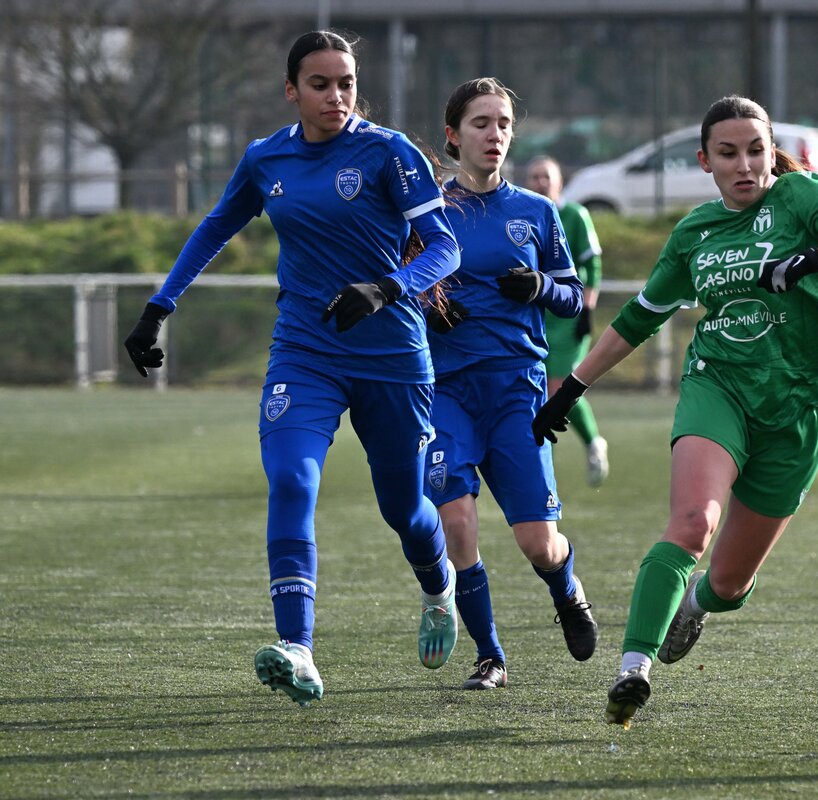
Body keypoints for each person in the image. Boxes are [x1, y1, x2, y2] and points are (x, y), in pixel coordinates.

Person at [532, 95, 818, 727]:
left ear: (770, 154)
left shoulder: (803, 199)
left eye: (756, 151)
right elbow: (638, 320)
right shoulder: (694, 234)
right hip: (718, 387)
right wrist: (570, 389)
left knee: (729, 582)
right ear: (705, 162)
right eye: (728, 154)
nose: (745, 165)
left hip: (798, 408)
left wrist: (813, 258)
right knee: (691, 524)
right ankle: (632, 671)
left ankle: (698, 604)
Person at [121, 30, 463, 707]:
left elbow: (445, 248)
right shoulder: (265, 157)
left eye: (346, 83)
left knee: (403, 510)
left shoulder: (389, 152)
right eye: (319, 84)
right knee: (291, 479)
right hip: (305, 352)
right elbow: (215, 228)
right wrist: (159, 307)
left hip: (393, 357)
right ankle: (297, 648)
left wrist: (386, 288)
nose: (336, 96)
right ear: (291, 90)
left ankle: (437, 585)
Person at [423, 78, 597, 691]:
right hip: (445, 390)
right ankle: (489, 655)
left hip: (516, 391)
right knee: (457, 523)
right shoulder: (428, 214)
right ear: (453, 135)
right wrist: (430, 307)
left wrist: (541, 287)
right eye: (481, 123)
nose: (494, 134)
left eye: (503, 123)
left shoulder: (536, 211)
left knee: (538, 544)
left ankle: (567, 589)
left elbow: (574, 296)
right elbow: (405, 288)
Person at [525, 155, 609, 487]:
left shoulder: (575, 215)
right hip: (537, 317)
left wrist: (587, 309)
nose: (540, 182)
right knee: (539, 390)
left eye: (546, 176)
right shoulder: (525, 215)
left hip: (569, 316)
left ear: (560, 181)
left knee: (559, 386)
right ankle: (542, 462)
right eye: (534, 176)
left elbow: (592, 266)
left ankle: (592, 443)